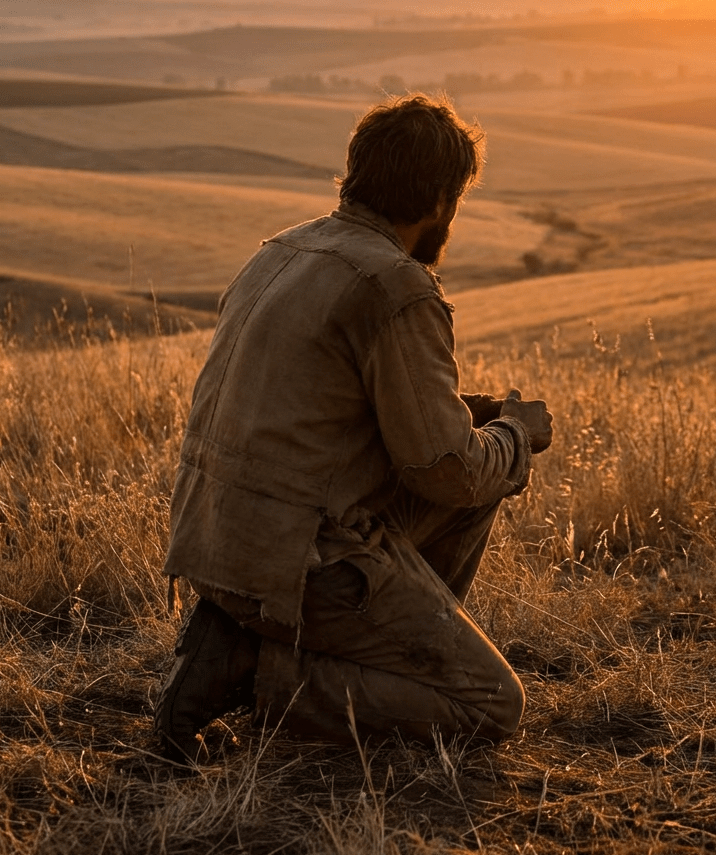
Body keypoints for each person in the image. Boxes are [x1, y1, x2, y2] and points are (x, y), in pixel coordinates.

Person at [154, 94, 553, 763]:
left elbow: (326, 417)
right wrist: (514, 436)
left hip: (214, 543)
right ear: (439, 201)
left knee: (482, 475)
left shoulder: (280, 250)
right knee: (490, 705)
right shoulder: (397, 284)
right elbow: (446, 473)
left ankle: (282, 643)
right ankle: (262, 671)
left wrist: (465, 415)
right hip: (297, 565)